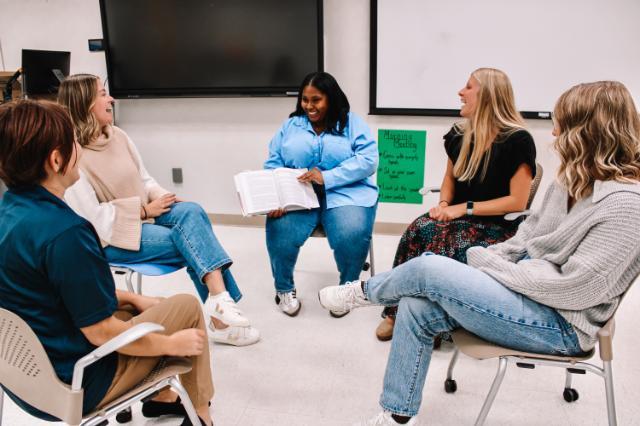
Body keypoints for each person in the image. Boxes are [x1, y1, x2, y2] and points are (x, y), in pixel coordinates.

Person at [319, 80, 640, 425]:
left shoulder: (625, 206)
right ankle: (398, 415)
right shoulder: (572, 181)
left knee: (430, 268)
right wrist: (498, 260)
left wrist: (491, 267)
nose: (555, 132)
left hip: (561, 325)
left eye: (562, 124)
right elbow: (527, 236)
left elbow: (576, 288)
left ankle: (362, 293)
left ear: (587, 133)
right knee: (415, 305)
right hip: (530, 295)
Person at [0, 100, 215, 426]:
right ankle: (201, 415)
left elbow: (63, 291)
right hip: (78, 382)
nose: (80, 151)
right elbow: (101, 332)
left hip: (25, 377)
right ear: (56, 159)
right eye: (74, 142)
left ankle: (162, 398)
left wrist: (131, 298)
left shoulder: (9, 214)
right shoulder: (67, 233)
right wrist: (171, 343)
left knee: (135, 309)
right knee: (185, 307)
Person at [58, 74, 259, 346]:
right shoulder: (74, 156)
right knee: (193, 244)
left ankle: (219, 303)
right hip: (112, 238)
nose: (111, 99)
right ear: (84, 104)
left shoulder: (118, 136)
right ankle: (221, 318)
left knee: (192, 212)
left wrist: (165, 198)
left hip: (146, 215)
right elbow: (94, 221)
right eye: (103, 94)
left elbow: (145, 180)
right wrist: (142, 211)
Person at [376, 68, 536, 342]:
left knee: (445, 242)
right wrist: (444, 203)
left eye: (468, 87)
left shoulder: (518, 141)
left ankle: (432, 321)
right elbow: (450, 178)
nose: (460, 93)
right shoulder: (459, 135)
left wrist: (462, 209)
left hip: (497, 224)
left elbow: (517, 201)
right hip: (460, 215)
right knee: (418, 229)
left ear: (487, 95)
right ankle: (396, 310)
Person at [264, 71, 378, 317]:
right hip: (298, 193)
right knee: (279, 229)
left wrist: (327, 177)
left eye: (316, 100)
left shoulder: (352, 123)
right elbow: (274, 162)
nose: (309, 106)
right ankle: (284, 288)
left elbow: (369, 161)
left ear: (331, 98)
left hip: (347, 192)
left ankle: (346, 291)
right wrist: (275, 196)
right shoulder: (291, 125)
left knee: (352, 233)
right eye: (305, 100)